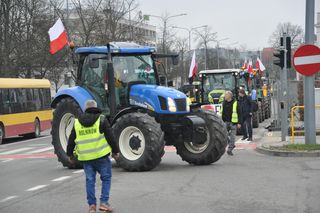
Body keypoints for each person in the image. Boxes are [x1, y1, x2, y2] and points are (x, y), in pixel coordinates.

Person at [67, 100, 119, 213]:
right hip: (101, 157)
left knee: (90, 180)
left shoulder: (77, 122)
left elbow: (71, 141)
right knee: (106, 178)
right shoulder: (101, 119)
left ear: (85, 109)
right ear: (96, 107)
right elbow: (111, 137)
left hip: (86, 159)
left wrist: (70, 155)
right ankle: (104, 202)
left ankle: (91, 206)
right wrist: (115, 152)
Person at [221, 91, 242, 156]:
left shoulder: (235, 103)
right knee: (224, 134)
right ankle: (231, 144)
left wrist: (239, 123)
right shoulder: (224, 103)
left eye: (226, 95)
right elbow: (223, 112)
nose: (224, 96)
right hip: (226, 121)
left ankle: (230, 149)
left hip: (233, 122)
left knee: (232, 136)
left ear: (229, 96)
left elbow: (240, 113)